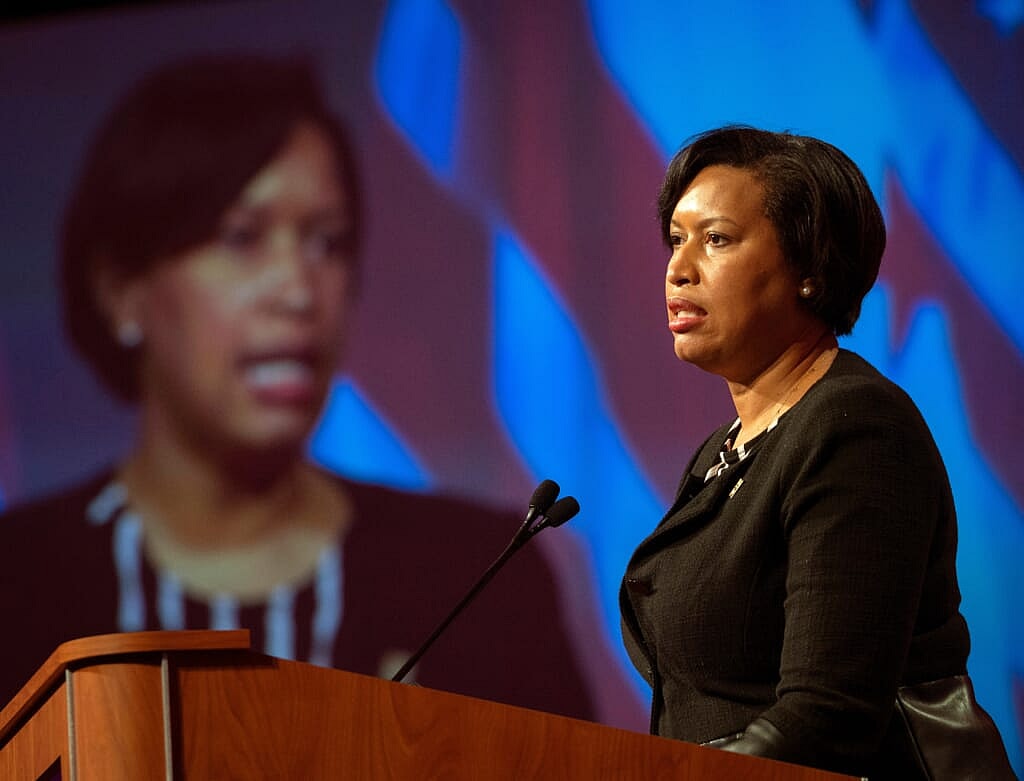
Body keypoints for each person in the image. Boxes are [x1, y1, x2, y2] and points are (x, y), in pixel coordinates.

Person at [0, 53, 594, 721]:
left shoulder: (475, 577)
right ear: (121, 291)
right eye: (242, 237)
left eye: (328, 243)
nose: (298, 289)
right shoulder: (17, 580)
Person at [619, 126, 1015, 778]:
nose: (678, 267)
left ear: (810, 267)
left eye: (715, 239)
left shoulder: (855, 427)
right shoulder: (724, 450)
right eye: (676, 239)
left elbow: (829, 714)